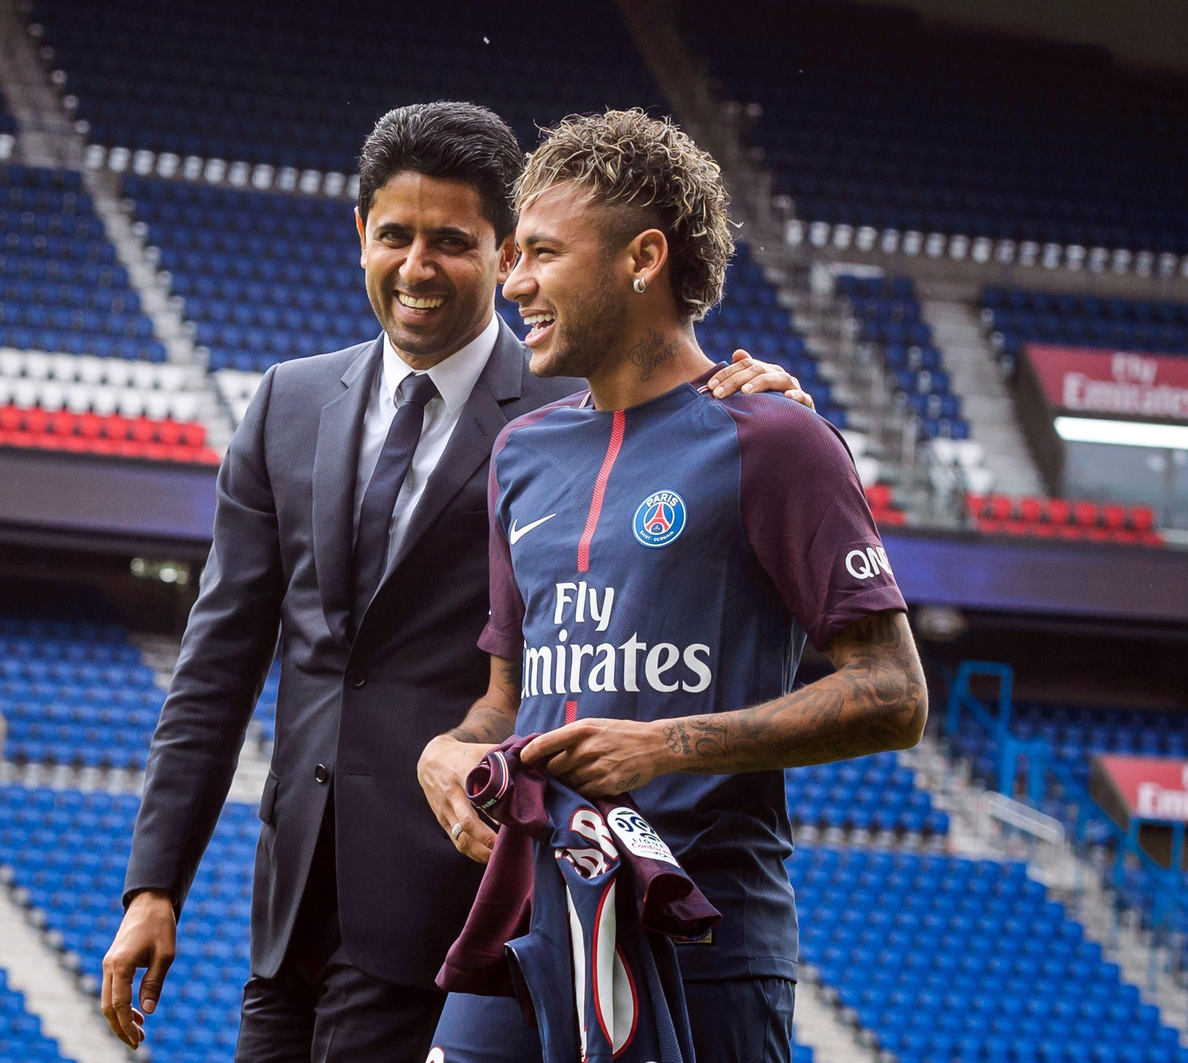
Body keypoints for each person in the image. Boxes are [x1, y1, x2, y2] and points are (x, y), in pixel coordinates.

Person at [101, 101, 816, 1063]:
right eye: (394, 235)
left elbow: (699, 469)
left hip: (464, 905)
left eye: (454, 241)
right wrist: (155, 886)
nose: (417, 266)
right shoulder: (287, 402)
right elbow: (216, 663)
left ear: (504, 250)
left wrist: (767, 407)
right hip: (292, 916)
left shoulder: (579, 406)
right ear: (360, 235)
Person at [419, 109, 927, 1063]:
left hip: (700, 938)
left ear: (642, 258)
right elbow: (506, 702)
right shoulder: (519, 454)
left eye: (540, 254)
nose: (511, 282)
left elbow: (895, 697)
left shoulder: (776, 438)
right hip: (531, 927)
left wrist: (664, 745)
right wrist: (444, 754)